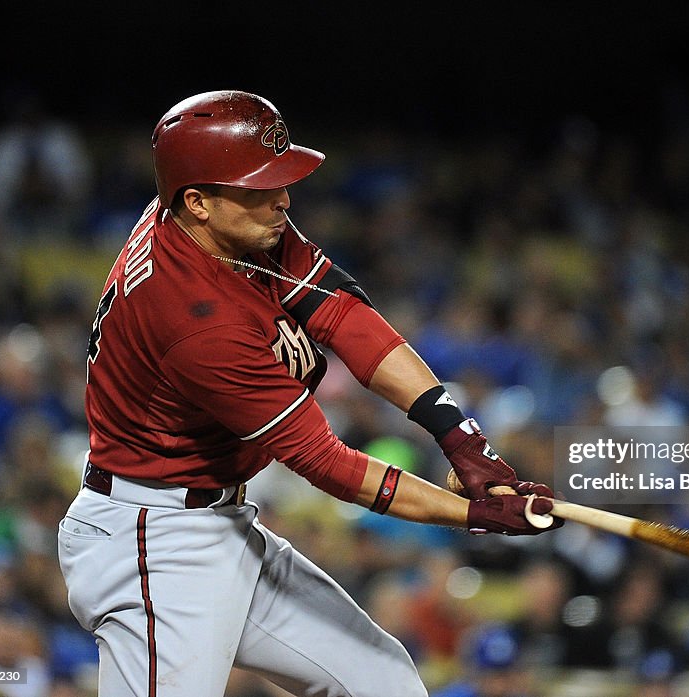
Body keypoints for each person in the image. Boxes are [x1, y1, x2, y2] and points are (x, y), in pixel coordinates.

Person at [56, 90, 561, 697]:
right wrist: (474, 514)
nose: (282, 198)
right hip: (154, 544)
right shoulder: (195, 319)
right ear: (199, 202)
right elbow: (326, 463)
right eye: (259, 187)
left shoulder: (213, 221)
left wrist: (459, 436)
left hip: (218, 519)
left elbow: (341, 314)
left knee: (383, 682)